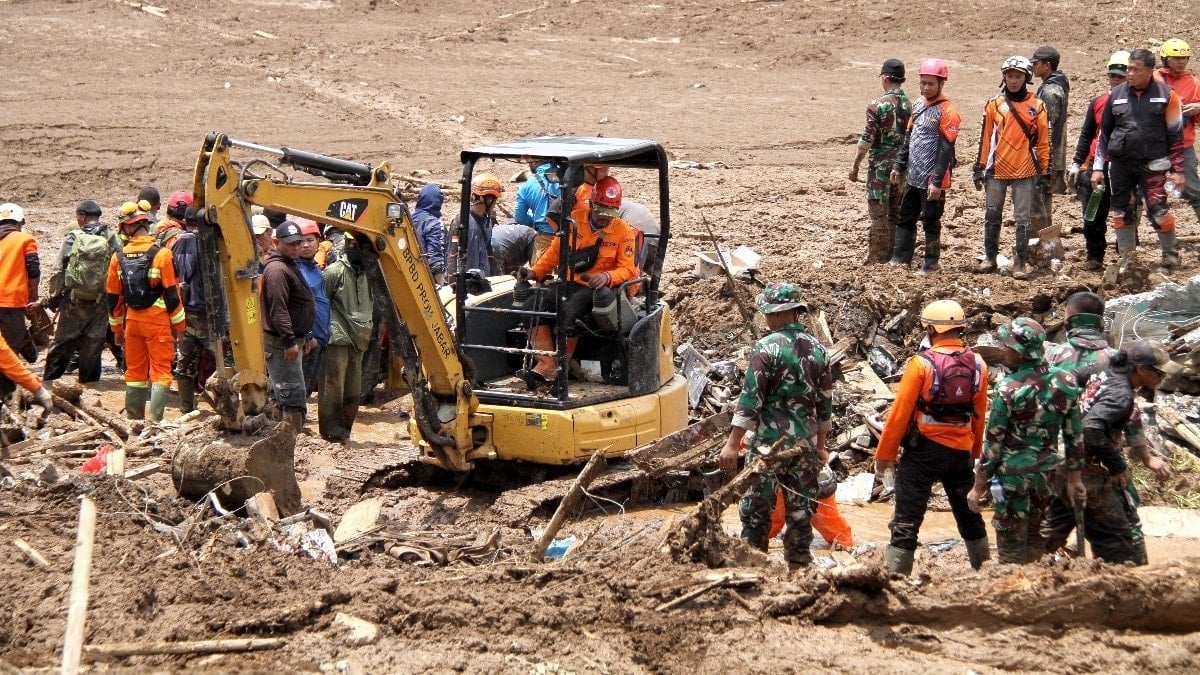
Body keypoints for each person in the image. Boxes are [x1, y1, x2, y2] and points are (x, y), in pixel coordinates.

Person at [1042, 291, 1171, 561]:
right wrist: (1144, 458)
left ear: (1069, 320)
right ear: (1101, 322)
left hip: (1057, 457)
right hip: (1100, 459)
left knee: (1050, 525)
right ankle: (1131, 580)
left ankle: (1028, 568)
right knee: (1123, 529)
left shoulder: (1053, 357)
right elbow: (1130, 416)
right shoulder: (1115, 360)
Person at [718, 283, 832, 569]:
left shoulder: (765, 348)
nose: (765, 319)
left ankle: (753, 567)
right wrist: (820, 448)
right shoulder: (820, 350)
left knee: (757, 509)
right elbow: (824, 405)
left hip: (769, 446)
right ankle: (798, 568)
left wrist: (732, 444)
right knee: (801, 511)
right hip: (804, 448)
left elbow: (750, 400)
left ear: (777, 313)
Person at [875, 299, 989, 575]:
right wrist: (973, 453)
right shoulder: (979, 364)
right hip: (960, 452)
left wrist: (884, 456)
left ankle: (897, 577)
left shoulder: (921, 364)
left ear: (931, 329)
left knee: (907, 518)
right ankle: (985, 570)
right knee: (969, 515)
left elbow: (899, 415)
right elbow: (979, 413)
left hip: (923, 453)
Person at [966, 318, 1085, 564]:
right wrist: (1074, 479)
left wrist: (979, 486)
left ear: (1020, 353)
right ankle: (1036, 588)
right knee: (1034, 535)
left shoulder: (1008, 389)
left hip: (1012, 478)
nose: (1003, 350)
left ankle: (1016, 593)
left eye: (1007, 346)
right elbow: (1074, 436)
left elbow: (993, 443)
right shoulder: (1066, 382)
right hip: (1046, 476)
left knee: (1010, 542)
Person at [515, 177, 640, 388]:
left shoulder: (624, 231)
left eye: (610, 213)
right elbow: (554, 253)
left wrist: (607, 277)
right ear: (591, 204)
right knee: (530, 307)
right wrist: (535, 272)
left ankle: (562, 368)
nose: (604, 218)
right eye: (601, 211)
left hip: (597, 289)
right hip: (570, 282)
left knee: (569, 312)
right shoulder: (574, 222)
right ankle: (546, 363)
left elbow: (628, 269)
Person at [1092, 48, 1186, 272]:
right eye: (1129, 69)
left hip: (1154, 165)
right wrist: (1097, 168)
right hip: (1120, 165)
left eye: (1136, 69)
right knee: (1121, 211)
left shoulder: (1167, 96)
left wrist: (1178, 171)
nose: (1130, 74)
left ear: (1149, 71)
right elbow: (1104, 135)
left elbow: (1176, 136)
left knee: (1158, 210)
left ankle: (1170, 255)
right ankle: (1127, 259)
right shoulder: (1116, 95)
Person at [106, 201, 187, 421]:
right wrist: (180, 328)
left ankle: (133, 421)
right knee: (161, 371)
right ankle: (155, 423)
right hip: (157, 323)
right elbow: (172, 296)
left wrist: (117, 330)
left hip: (132, 322)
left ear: (127, 228)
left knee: (134, 373)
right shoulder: (161, 255)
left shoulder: (118, 257)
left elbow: (113, 298)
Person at [973, 56, 1051, 279]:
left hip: (1025, 171)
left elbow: (1044, 142)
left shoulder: (1038, 107)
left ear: (1026, 78)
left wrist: (1044, 172)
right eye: (1009, 76)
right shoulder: (994, 105)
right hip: (995, 170)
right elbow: (985, 138)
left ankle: (1020, 262)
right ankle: (990, 257)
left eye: (1018, 76)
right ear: (1004, 78)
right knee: (992, 214)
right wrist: (978, 167)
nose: (1013, 80)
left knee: (1023, 219)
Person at [888, 58, 961, 275]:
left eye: (930, 84)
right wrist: (899, 166)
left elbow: (946, 149)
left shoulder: (948, 111)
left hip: (932, 179)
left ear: (941, 84)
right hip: (914, 175)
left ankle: (930, 264)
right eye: (922, 83)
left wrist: (937, 181)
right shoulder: (918, 105)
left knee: (930, 221)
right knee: (905, 216)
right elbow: (908, 139)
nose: (925, 87)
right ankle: (900, 259)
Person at [43, 199, 121, 384]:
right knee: (93, 344)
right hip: (101, 302)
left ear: (82, 217)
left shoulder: (73, 237)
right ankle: (90, 385)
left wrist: (54, 295)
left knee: (62, 343)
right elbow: (119, 266)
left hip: (74, 302)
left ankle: (49, 383)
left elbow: (58, 270)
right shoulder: (110, 235)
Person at [1068, 52, 1132, 271]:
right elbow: (1087, 134)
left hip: (1127, 167)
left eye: (1120, 76)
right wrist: (1077, 163)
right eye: (1113, 75)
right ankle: (1094, 257)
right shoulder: (1098, 102)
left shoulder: (1139, 104)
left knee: (1126, 214)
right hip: (1098, 167)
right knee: (1093, 214)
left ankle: (1127, 258)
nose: (1116, 80)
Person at [850, 58, 912, 264]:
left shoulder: (876, 106)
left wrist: (856, 165)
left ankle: (877, 258)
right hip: (903, 166)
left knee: (879, 214)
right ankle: (896, 256)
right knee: (896, 212)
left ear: (885, 78)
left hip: (879, 167)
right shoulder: (912, 105)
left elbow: (866, 140)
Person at [157, 192, 211, 413]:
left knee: (185, 363)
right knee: (223, 360)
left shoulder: (178, 243)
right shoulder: (208, 243)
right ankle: (226, 406)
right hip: (209, 312)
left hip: (185, 310)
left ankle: (186, 408)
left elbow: (177, 277)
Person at [260, 221, 315, 430]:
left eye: (298, 243)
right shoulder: (276, 270)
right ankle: (290, 438)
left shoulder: (290, 263)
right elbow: (278, 309)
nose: (296, 247)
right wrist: (289, 341)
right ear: (276, 242)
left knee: (284, 390)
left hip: (293, 340)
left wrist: (306, 335)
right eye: (291, 244)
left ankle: (279, 433)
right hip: (282, 343)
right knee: (291, 392)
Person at [319, 237, 372, 442]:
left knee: (353, 388)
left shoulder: (369, 273)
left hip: (359, 337)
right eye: (354, 245)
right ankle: (331, 432)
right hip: (338, 336)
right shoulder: (334, 272)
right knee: (333, 386)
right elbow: (321, 304)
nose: (357, 249)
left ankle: (345, 430)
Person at [1158, 38, 1200, 225]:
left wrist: (1198, 108)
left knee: (1194, 190)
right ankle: (1130, 241)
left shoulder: (1194, 82)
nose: (1181, 61)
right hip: (1153, 144)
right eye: (1176, 57)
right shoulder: (1154, 78)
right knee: (1143, 191)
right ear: (1165, 58)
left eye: (1184, 58)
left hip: (1183, 144)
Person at [1031, 45, 1070, 233]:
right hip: (1051, 155)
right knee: (1043, 202)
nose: (1033, 67)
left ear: (1047, 65)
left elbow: (1046, 127)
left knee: (1038, 203)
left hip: (1045, 156)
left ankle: (1044, 248)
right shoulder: (1056, 86)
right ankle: (1047, 249)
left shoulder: (1050, 92)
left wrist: (1041, 158)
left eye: (1036, 63)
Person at [0, 203, 40, 363]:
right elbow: (33, 269)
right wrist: (34, 297)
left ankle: (31, 356)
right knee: (11, 348)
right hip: (11, 301)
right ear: (20, 222)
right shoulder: (25, 239)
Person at [295, 219, 330, 396]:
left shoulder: (315, 269)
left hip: (320, 337)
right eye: (300, 241)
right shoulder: (296, 270)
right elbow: (298, 306)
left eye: (310, 240)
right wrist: (309, 336)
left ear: (318, 241)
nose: (306, 245)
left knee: (307, 388)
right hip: (308, 339)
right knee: (300, 388)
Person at [453, 173, 503, 277]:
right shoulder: (461, 222)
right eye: (495, 200)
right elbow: (453, 255)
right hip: (466, 283)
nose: (495, 204)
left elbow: (488, 251)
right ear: (488, 200)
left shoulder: (487, 221)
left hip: (482, 280)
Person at [515, 158, 562, 263]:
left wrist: (535, 221)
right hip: (569, 236)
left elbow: (520, 217)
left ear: (534, 162)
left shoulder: (526, 186)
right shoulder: (566, 177)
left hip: (545, 238)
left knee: (541, 275)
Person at [411, 183, 448, 285]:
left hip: (410, 277)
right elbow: (435, 261)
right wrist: (442, 284)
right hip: (428, 285)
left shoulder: (407, 219)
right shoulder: (434, 224)